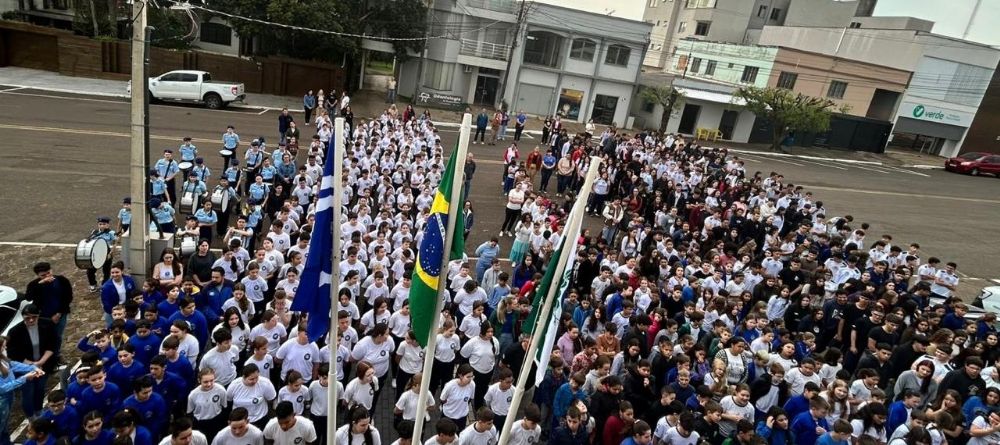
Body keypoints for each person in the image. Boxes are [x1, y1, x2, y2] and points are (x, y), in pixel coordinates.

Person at [6, 304, 57, 418]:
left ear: (38, 315)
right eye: (27, 318)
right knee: (28, 393)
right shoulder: (15, 331)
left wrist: (40, 363)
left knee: (39, 390)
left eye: (34, 317)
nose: (31, 320)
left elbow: (53, 344)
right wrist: (32, 365)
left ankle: (39, 412)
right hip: (24, 368)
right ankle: (30, 417)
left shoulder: (47, 324)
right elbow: (13, 353)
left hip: (44, 364)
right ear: (23, 317)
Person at [0, 335, 43, 445]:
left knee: (5, 426)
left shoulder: (2, 359)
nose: (5, 349)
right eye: (3, 347)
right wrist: (24, 378)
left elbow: (13, 365)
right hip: (2, 401)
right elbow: (2, 388)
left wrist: (33, 367)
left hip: (7, 398)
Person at [24, 262, 73, 351]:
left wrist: (59, 314)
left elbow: (68, 297)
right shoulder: (33, 285)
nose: (47, 276)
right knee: (44, 337)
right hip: (43, 316)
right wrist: (40, 284)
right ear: (38, 275)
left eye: (49, 273)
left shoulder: (62, 280)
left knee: (57, 336)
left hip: (60, 314)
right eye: (43, 275)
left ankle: (56, 354)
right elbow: (28, 297)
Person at [86, 216, 117, 292]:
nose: (102, 225)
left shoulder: (111, 233)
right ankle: (93, 284)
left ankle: (104, 285)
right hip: (96, 254)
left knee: (106, 271)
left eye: (104, 224)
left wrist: (111, 253)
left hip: (106, 253)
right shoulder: (95, 232)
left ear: (108, 225)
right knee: (90, 270)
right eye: (100, 224)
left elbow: (115, 243)